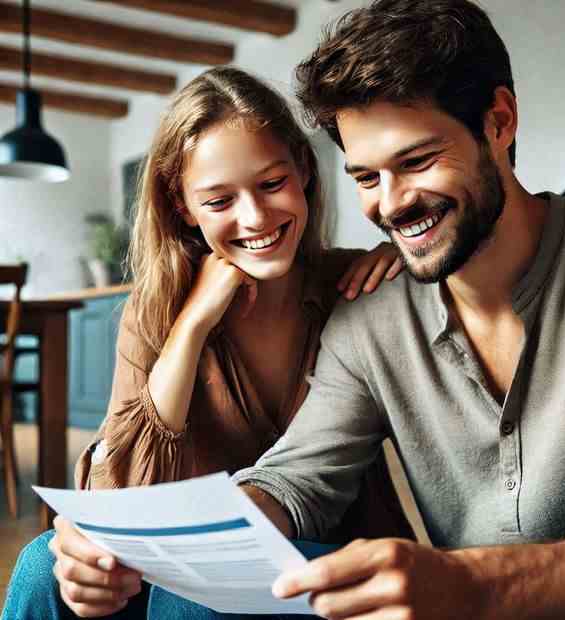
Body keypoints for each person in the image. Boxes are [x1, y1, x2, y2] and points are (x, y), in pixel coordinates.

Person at [227, 0, 565, 619]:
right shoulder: (369, 322)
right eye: (365, 178)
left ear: (499, 121)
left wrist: (475, 585)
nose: (391, 205)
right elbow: (297, 480)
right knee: (63, 568)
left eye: (415, 162)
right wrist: (145, 544)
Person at [2, 67, 414, 619]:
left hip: (324, 552)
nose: (255, 217)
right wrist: (193, 323)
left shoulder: (355, 286)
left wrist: (403, 259)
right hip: (185, 558)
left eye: (272, 184)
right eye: (219, 201)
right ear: (182, 207)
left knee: (194, 591)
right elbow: (120, 489)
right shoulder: (157, 308)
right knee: (39, 565)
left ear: (304, 172)